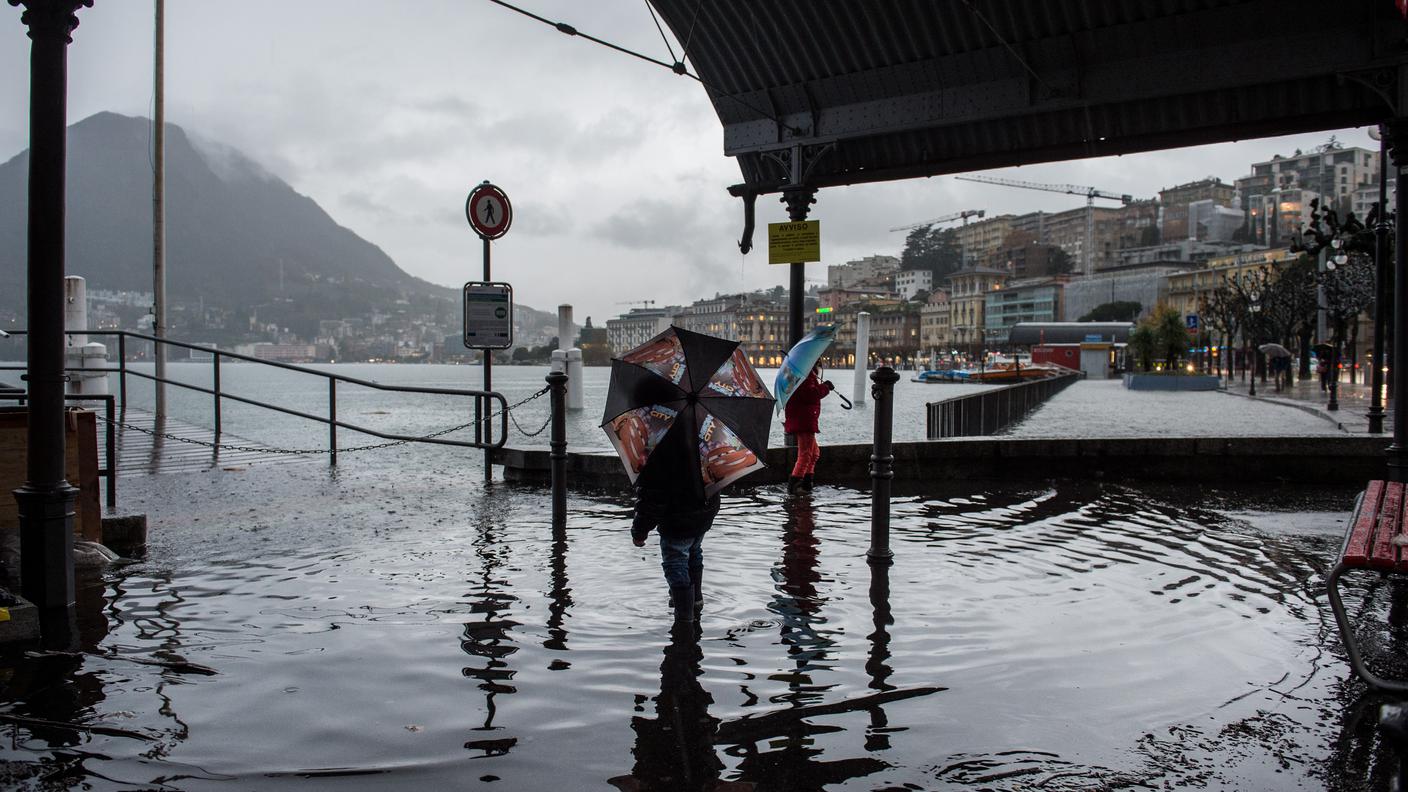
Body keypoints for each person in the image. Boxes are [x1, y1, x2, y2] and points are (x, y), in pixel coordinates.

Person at [631, 485, 720, 623]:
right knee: (694, 551)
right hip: (705, 509)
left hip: (677, 516)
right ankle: (696, 602)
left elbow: (652, 493)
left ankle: (684, 622)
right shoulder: (698, 461)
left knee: (676, 562)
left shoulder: (662, 462)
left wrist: (639, 531)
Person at [783, 364, 835, 495]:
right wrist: (826, 387)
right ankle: (795, 486)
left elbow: (809, 392)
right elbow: (810, 395)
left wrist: (822, 386)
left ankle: (806, 483)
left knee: (814, 453)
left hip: (804, 418)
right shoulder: (804, 375)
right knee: (806, 454)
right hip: (803, 419)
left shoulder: (805, 374)